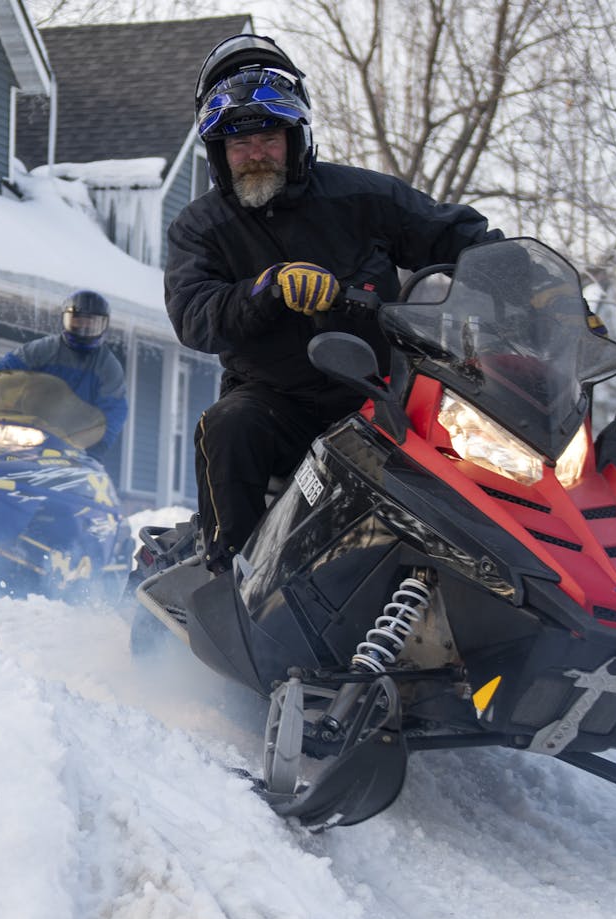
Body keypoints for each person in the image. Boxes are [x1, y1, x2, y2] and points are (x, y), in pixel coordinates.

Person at [166, 33, 505, 572]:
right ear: (218, 154)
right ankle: (231, 573)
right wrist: (267, 289)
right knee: (227, 425)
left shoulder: (365, 197)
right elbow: (194, 317)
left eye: (269, 137)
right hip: (277, 402)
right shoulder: (200, 228)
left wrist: (535, 287)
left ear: (296, 138)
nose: (256, 154)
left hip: (383, 398)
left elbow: (456, 236)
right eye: (238, 143)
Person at [0, 289, 127, 461]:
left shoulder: (108, 367)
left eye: (90, 324)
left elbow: (114, 410)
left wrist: (100, 444)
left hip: (75, 445)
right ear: (65, 320)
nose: (83, 329)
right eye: (77, 322)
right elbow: (4, 370)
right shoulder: (41, 350)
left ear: (103, 325)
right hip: (26, 432)